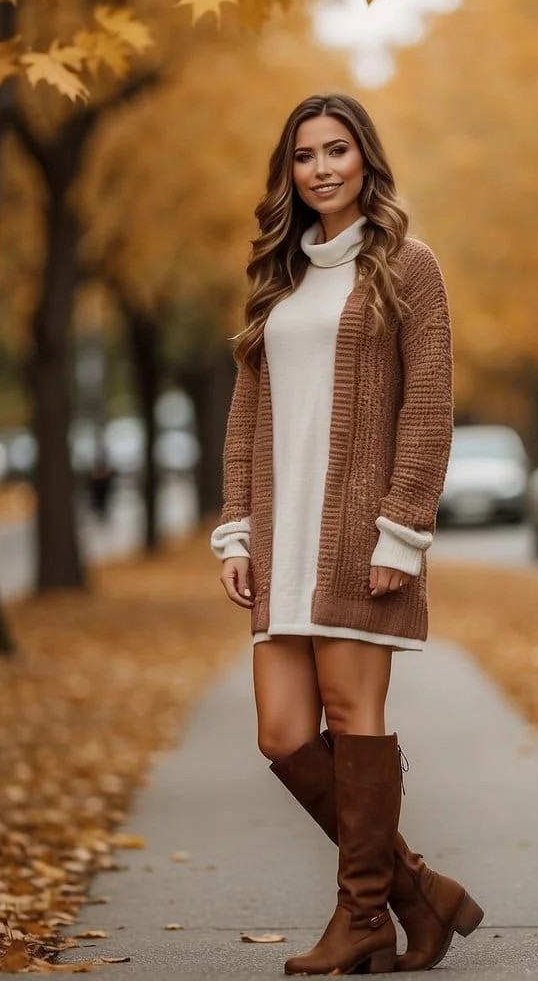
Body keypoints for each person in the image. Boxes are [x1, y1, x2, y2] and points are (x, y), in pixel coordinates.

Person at [211, 94, 483, 976]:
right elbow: (247, 414)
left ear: (366, 158)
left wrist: (401, 529)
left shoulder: (408, 265)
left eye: (338, 150)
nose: (322, 168)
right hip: (283, 537)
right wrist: (238, 528)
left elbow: (429, 406)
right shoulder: (279, 279)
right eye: (304, 156)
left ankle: (363, 916)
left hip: (359, 535)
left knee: (350, 713)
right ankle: (414, 893)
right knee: (283, 733)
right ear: (287, 172)